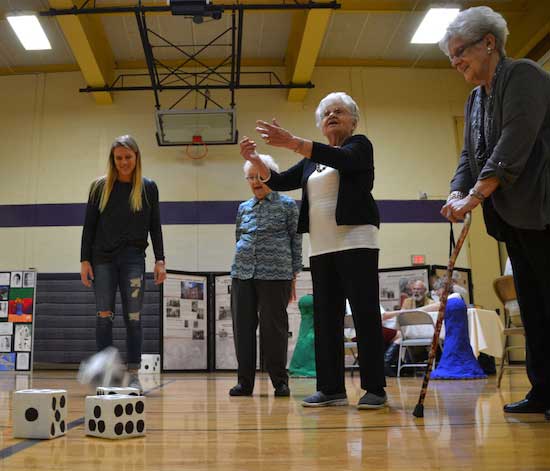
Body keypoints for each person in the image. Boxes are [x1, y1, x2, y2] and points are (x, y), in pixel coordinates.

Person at [240, 92, 387, 409]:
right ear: (321, 124)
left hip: (356, 241)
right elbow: (278, 182)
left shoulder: (359, 146)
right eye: (326, 113)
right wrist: (255, 161)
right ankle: (331, 388)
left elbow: (345, 161)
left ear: (353, 120)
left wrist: (292, 141)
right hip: (321, 249)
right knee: (326, 319)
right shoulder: (312, 160)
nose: (332, 116)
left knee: (364, 316)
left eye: (340, 111)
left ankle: (375, 388)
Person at [438, 6, 550, 418]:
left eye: (459, 52)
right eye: (451, 57)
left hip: (541, 208)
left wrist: (476, 195)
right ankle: (543, 391)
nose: (455, 63)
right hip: (512, 217)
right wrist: (456, 191)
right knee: (533, 306)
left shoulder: (523, 76)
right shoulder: (473, 99)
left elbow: (513, 142)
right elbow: (470, 153)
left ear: (489, 42)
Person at [80, 135, 166, 391]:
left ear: (136, 158)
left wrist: (160, 260)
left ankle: (133, 371)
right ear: (112, 159)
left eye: (128, 157)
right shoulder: (99, 187)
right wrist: (84, 260)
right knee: (104, 316)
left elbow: (155, 226)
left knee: (134, 318)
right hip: (102, 259)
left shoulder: (148, 187)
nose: (123, 162)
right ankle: (104, 373)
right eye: (119, 158)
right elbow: (89, 227)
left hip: (133, 259)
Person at [229, 154, 302, 397]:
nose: (255, 182)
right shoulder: (243, 208)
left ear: (269, 175)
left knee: (274, 330)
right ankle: (244, 382)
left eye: (259, 176)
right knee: (243, 329)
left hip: (276, 274)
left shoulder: (288, 205)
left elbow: (296, 240)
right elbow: (239, 236)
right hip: (243, 273)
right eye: (250, 177)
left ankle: (280, 381)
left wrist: (293, 274)